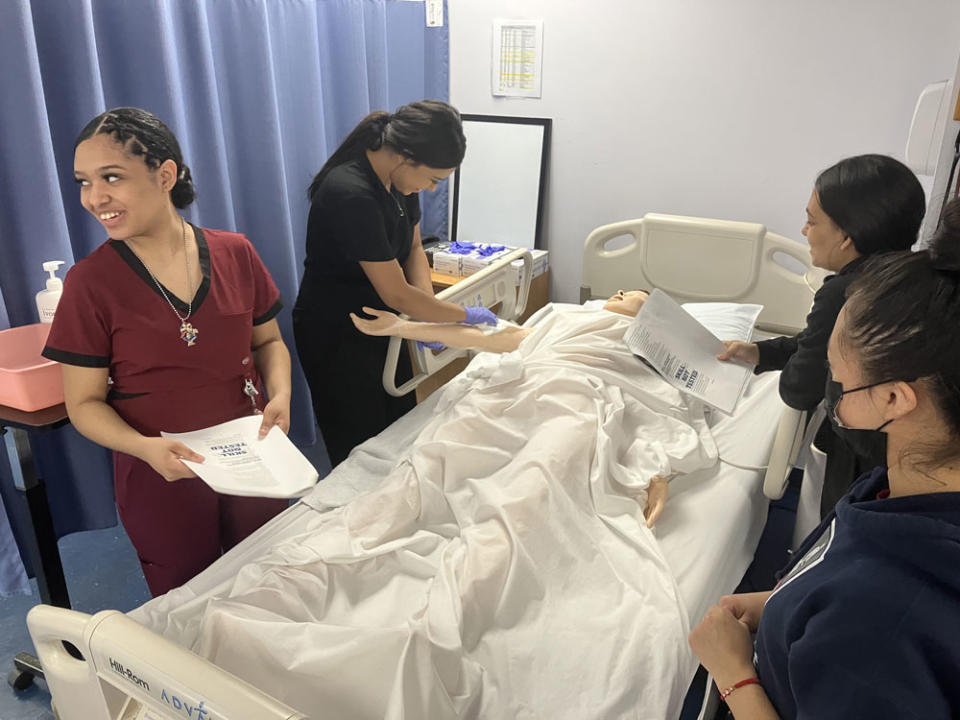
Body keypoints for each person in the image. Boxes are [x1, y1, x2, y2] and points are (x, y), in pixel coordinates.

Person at [689, 199, 960, 719]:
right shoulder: (905, 490)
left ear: (893, 400)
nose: (830, 388)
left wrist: (732, 673)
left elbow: (867, 633)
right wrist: (781, 603)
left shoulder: (882, 622)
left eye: (838, 373)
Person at [42, 107, 291, 596]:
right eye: (84, 182)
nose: (95, 199)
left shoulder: (234, 253)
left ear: (165, 175)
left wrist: (280, 394)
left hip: (249, 447)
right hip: (160, 466)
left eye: (111, 177)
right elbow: (83, 405)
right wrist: (143, 448)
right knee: (185, 593)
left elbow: (269, 342)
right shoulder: (91, 284)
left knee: (264, 573)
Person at [348, 289, 672, 525]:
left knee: (545, 467)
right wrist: (401, 328)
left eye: (633, 294)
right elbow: (488, 339)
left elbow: (642, 408)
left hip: (575, 398)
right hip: (517, 389)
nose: (618, 291)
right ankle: (380, 519)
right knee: (442, 449)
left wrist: (653, 474)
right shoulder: (565, 319)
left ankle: (500, 536)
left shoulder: (639, 355)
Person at [293, 100, 497, 468]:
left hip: (387, 323)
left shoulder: (402, 185)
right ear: (405, 156)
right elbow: (395, 291)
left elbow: (414, 248)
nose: (432, 189)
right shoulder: (351, 193)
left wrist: (427, 311)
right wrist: (462, 316)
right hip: (338, 334)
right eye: (434, 179)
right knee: (360, 447)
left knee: (400, 429)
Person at [718, 155, 925, 516]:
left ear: (847, 236)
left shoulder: (844, 295)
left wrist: (792, 364)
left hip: (861, 463)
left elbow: (800, 387)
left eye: (811, 221)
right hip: (906, 453)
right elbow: (820, 343)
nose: (804, 232)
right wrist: (759, 352)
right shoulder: (908, 276)